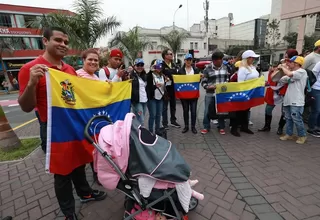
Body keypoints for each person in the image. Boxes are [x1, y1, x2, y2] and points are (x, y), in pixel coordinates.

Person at [18, 27, 106, 220]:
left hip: (74, 127)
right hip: (53, 130)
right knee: (62, 173)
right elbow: (26, 106)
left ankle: (85, 193)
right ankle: (68, 213)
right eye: (58, 40)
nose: (63, 45)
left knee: (79, 163)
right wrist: (33, 83)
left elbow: (77, 98)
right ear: (45, 41)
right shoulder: (30, 69)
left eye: (66, 42)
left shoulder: (69, 70)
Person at [76, 48, 101, 186]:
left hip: (94, 119)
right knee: (84, 151)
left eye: (96, 60)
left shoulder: (96, 77)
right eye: (90, 59)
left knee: (96, 149)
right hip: (82, 119)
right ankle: (84, 188)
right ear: (83, 61)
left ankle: (97, 175)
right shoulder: (77, 75)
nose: (93, 62)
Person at [230, 50, 260, 137]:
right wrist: (243, 93)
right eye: (251, 58)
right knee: (239, 110)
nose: (253, 59)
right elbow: (241, 82)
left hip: (251, 91)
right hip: (245, 92)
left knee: (246, 110)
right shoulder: (242, 69)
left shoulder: (252, 67)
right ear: (247, 58)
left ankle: (244, 127)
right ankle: (234, 128)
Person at [279, 56, 308, 144]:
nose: (288, 64)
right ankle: (289, 134)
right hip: (288, 99)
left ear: (296, 64)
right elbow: (281, 80)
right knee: (288, 118)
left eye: (290, 62)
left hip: (297, 101)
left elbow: (290, 75)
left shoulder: (302, 72)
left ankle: (302, 135)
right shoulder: (292, 73)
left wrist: (283, 68)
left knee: (297, 119)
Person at [201, 51, 229, 135]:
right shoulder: (207, 69)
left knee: (221, 110)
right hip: (210, 93)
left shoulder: (225, 67)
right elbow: (203, 81)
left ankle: (221, 127)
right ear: (213, 61)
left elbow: (227, 79)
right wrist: (208, 86)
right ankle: (206, 127)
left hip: (221, 94)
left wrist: (226, 84)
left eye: (221, 59)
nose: (220, 61)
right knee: (207, 111)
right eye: (218, 60)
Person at [258, 61, 287, 133]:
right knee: (268, 110)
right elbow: (270, 82)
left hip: (283, 92)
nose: (273, 68)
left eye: (275, 67)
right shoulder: (270, 73)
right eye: (272, 67)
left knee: (284, 111)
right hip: (272, 93)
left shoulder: (285, 73)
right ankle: (267, 126)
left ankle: (280, 128)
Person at [178, 54, 201, 134]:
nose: (188, 61)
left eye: (190, 60)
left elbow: (198, 81)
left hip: (193, 94)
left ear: (192, 61)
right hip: (184, 95)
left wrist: (200, 78)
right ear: (184, 61)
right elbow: (178, 82)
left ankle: (193, 127)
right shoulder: (180, 71)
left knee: (194, 111)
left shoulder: (196, 70)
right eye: (187, 60)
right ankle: (186, 126)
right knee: (185, 110)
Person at [161, 48, 181, 129]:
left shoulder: (174, 65)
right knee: (164, 107)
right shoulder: (161, 65)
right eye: (170, 54)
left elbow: (178, 75)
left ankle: (173, 121)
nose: (172, 55)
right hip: (164, 89)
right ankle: (164, 123)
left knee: (173, 106)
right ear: (165, 56)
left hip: (173, 88)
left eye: (172, 54)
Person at [146, 59, 166, 133]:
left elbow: (164, 86)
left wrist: (167, 83)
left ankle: (157, 131)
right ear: (154, 67)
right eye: (157, 66)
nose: (159, 68)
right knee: (153, 115)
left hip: (160, 97)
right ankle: (151, 132)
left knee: (159, 115)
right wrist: (155, 86)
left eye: (160, 67)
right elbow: (147, 88)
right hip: (152, 98)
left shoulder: (162, 75)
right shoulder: (150, 75)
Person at [130, 58, 148, 125]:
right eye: (138, 65)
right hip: (137, 101)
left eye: (141, 65)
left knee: (140, 119)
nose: (140, 67)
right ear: (134, 66)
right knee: (141, 120)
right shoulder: (131, 76)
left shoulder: (144, 75)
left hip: (145, 100)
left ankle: (138, 133)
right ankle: (140, 134)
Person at [307, 60, 320, 137]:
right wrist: (310, 88)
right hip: (316, 88)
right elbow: (313, 75)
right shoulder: (319, 63)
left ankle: (318, 128)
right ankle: (311, 128)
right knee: (316, 110)